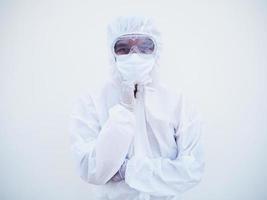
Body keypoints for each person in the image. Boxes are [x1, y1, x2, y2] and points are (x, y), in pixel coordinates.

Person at [69, 16, 205, 200]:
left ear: (156, 51)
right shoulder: (92, 102)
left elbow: (192, 169)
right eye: (123, 48)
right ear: (112, 53)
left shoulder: (178, 102)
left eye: (144, 47)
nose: (134, 55)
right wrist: (123, 112)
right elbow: (90, 169)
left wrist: (126, 170)